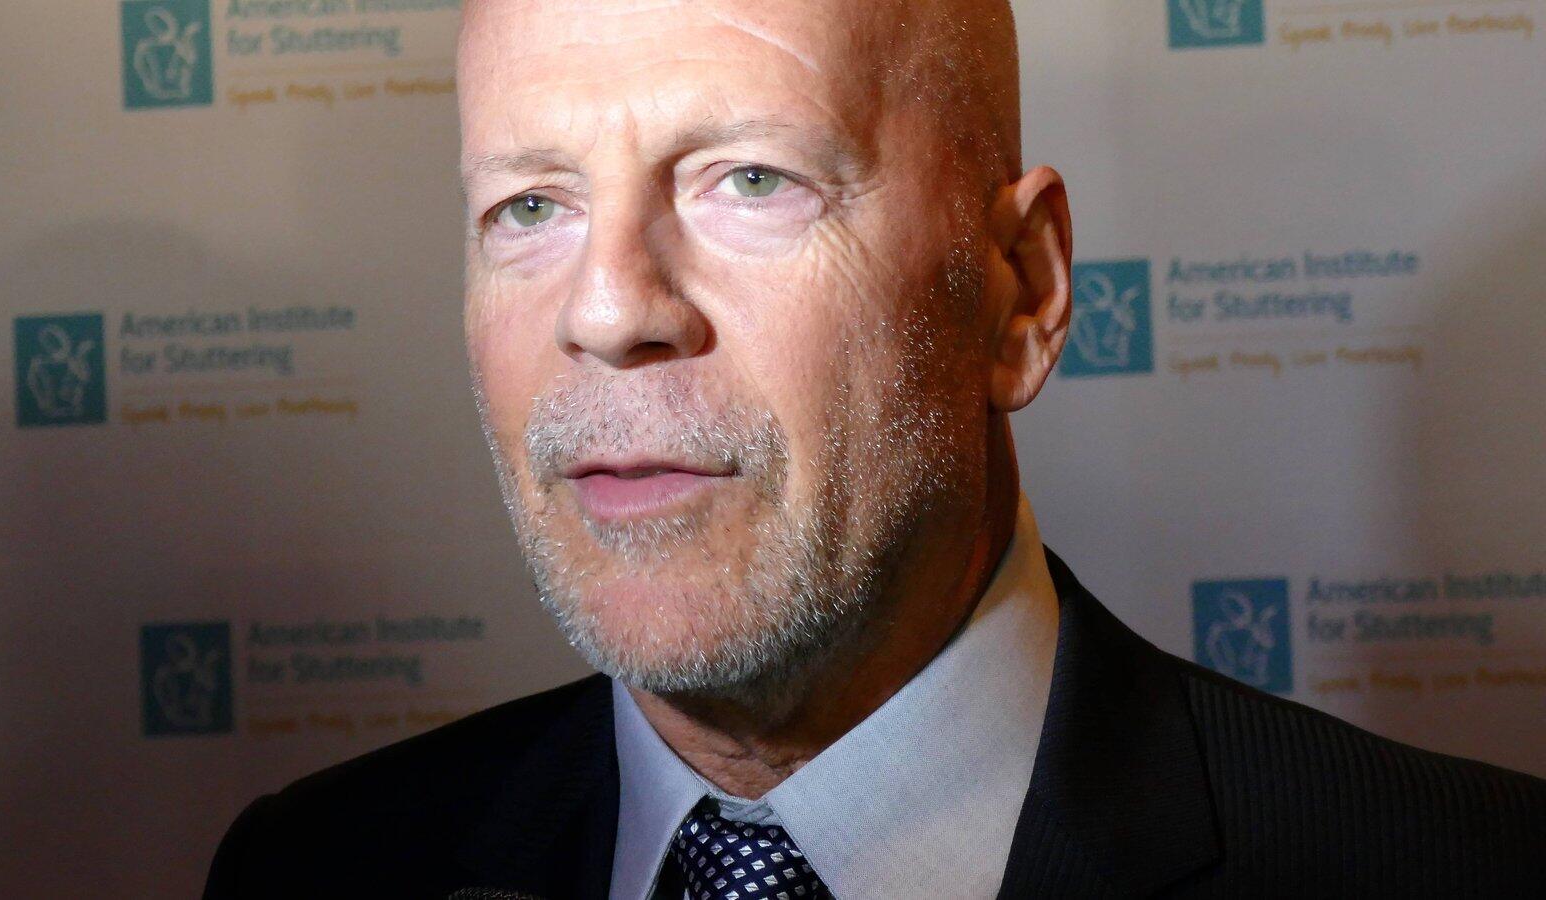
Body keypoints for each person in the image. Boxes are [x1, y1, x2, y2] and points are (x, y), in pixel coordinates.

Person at [204, 0, 1546, 897]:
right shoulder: (315, 869)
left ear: (1019, 295)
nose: (607, 311)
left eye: (750, 179)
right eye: (529, 206)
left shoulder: (1459, 872)